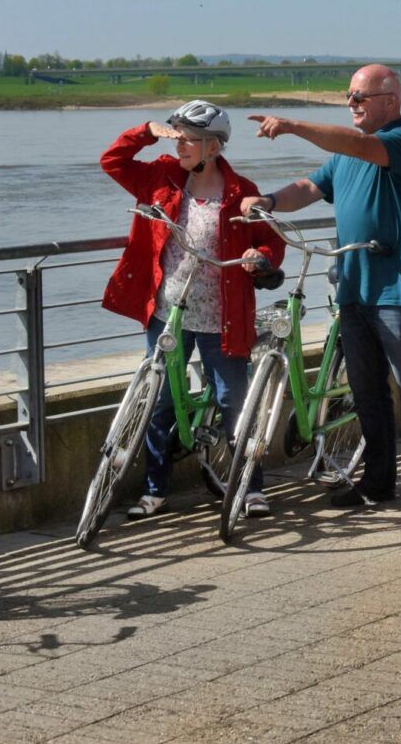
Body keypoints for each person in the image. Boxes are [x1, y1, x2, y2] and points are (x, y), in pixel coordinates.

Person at [240, 64, 401, 516]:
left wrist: (290, 125)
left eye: (359, 97)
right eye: (348, 96)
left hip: (398, 289)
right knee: (366, 391)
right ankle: (378, 482)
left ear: (390, 100)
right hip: (353, 285)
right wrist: (268, 202)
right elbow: (312, 186)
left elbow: (359, 144)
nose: (351, 104)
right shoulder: (345, 155)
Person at [101, 101, 284, 519]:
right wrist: (146, 131)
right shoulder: (160, 176)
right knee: (159, 399)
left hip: (224, 316)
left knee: (232, 400)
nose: (180, 144)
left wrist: (261, 254)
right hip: (169, 311)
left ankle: (251, 488)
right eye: (177, 135)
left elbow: (271, 241)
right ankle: (155, 490)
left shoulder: (240, 192)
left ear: (214, 147)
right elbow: (112, 161)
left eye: (189, 139)